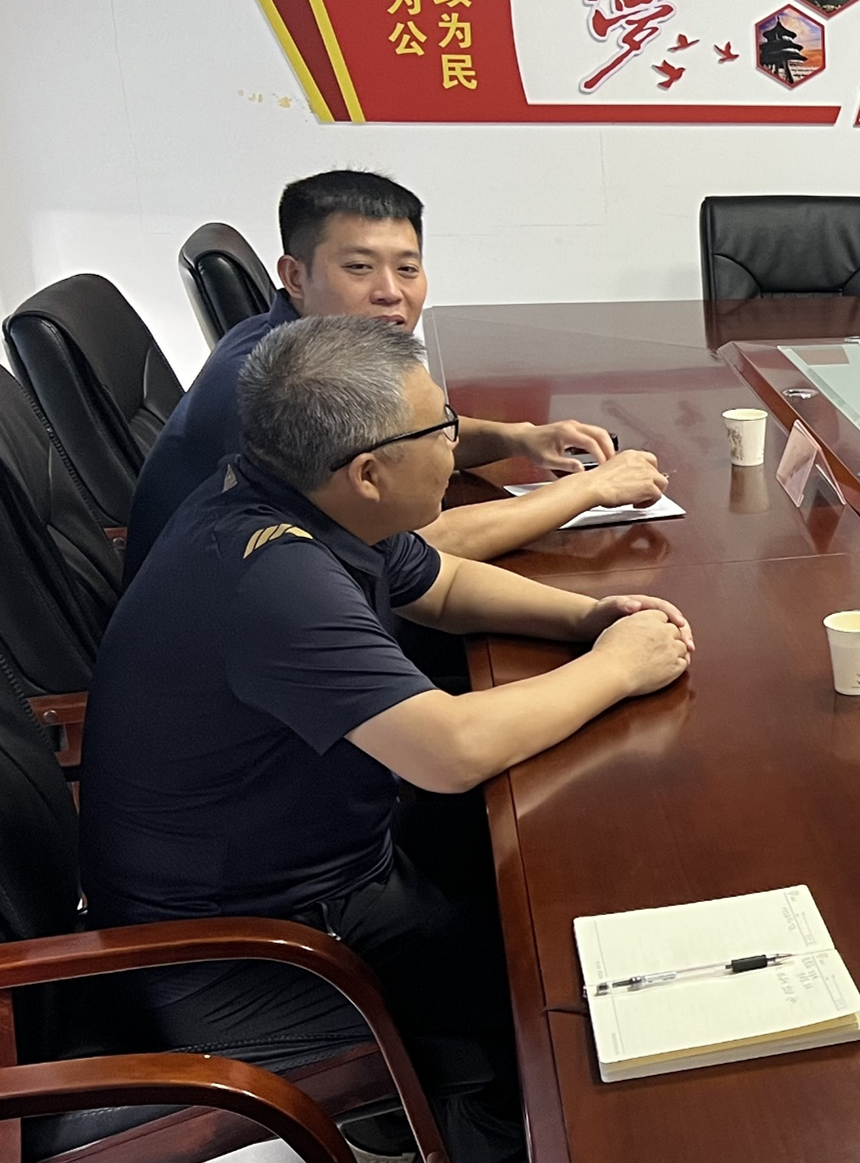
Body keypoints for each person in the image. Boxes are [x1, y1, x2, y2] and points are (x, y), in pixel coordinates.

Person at [80, 317, 695, 1163]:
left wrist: (590, 618)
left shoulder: (282, 495)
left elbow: (437, 585)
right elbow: (449, 752)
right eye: (440, 429)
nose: (456, 444)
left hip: (311, 873)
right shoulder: (271, 575)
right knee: (557, 1006)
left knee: (552, 885)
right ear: (368, 472)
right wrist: (617, 669)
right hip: (250, 953)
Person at [127, 169, 667, 575]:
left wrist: (520, 438)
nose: (391, 291)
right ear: (294, 275)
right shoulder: (276, 390)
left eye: (408, 267)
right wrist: (592, 488)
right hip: (226, 634)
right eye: (358, 267)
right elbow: (413, 548)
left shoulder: (309, 349)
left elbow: (406, 440)